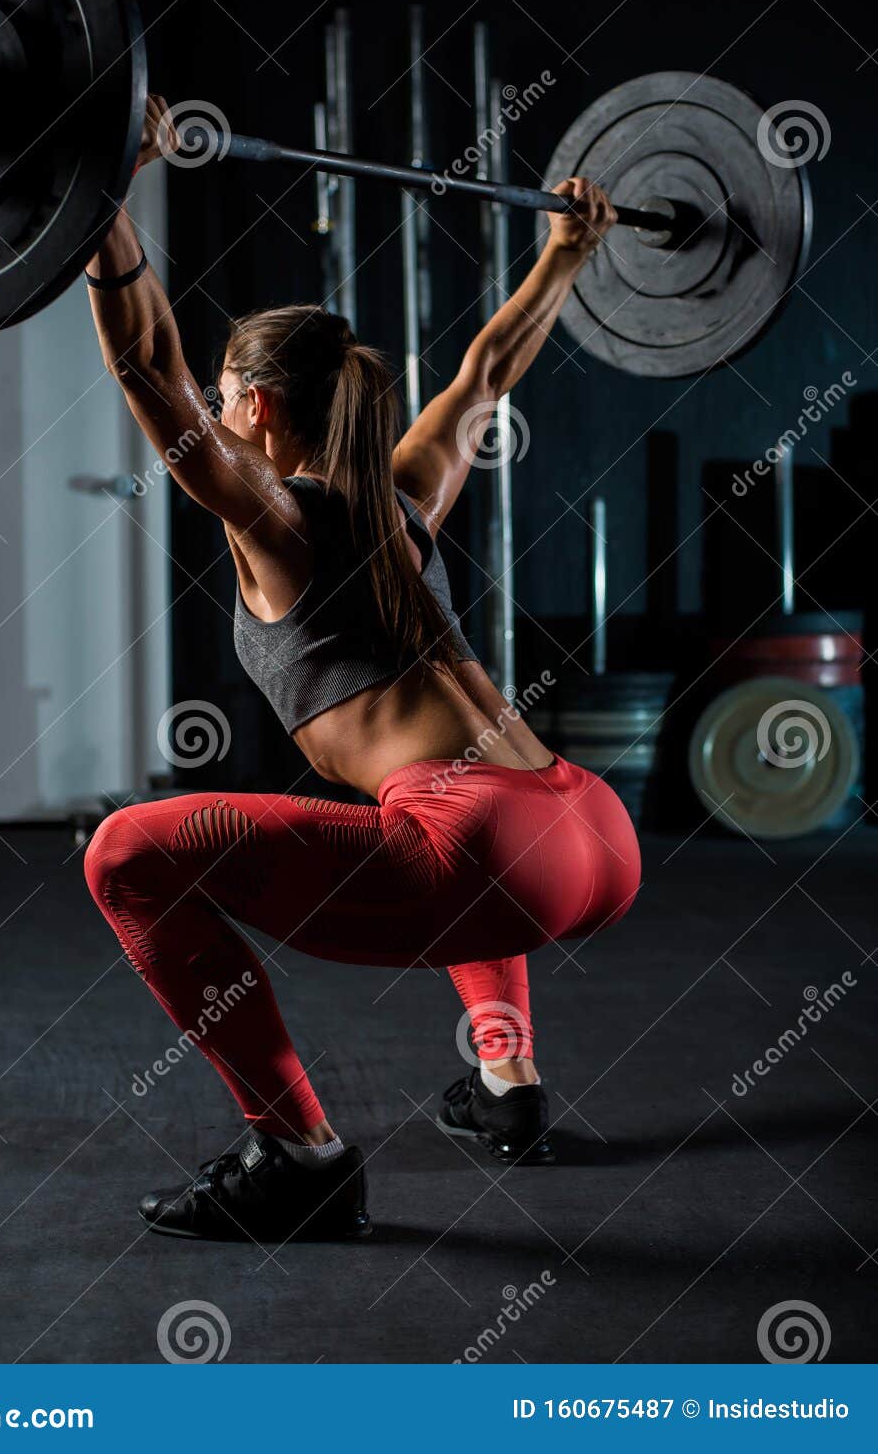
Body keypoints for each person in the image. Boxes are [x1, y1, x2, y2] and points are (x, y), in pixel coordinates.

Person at [83, 97, 641, 1242]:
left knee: (124, 854)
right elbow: (487, 374)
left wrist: (105, 200)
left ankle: (300, 1155)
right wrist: (567, 255)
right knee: (443, 835)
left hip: (482, 845)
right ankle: (507, 1082)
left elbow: (146, 366)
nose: (215, 407)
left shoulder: (274, 520)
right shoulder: (400, 502)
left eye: (226, 393)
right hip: (591, 831)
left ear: (259, 405)